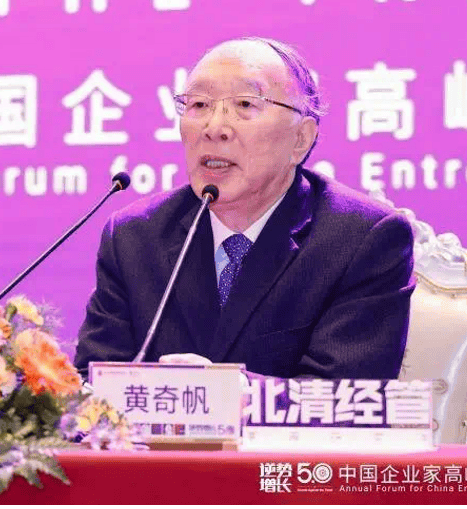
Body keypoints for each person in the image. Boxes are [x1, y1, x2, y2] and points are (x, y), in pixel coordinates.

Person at [74, 37, 415, 380]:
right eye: (199, 105)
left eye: (245, 105)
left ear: (300, 139)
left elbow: (342, 395)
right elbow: (92, 381)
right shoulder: (134, 237)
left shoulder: (363, 239)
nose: (214, 129)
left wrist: (227, 390)